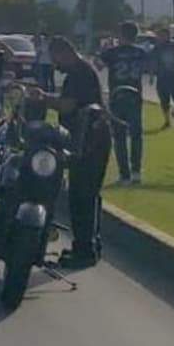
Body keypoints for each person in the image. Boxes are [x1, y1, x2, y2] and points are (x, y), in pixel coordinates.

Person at [34, 36, 112, 269]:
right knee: (89, 196)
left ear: (64, 53)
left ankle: (83, 252)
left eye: (55, 58)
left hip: (88, 142)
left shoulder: (79, 74)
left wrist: (43, 98)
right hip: (93, 139)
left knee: (81, 197)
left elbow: (67, 105)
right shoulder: (83, 71)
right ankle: (90, 247)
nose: (54, 64)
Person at [97, 21, 149, 184]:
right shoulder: (141, 52)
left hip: (117, 95)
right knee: (136, 134)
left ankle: (124, 173)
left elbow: (98, 65)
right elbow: (149, 68)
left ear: (121, 34)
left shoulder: (112, 52)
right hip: (135, 95)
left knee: (119, 136)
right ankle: (136, 171)